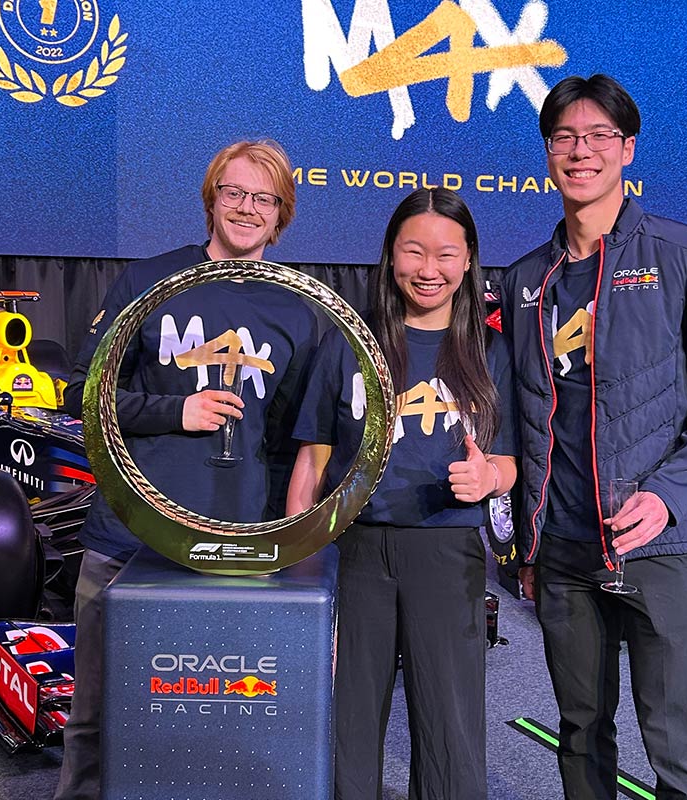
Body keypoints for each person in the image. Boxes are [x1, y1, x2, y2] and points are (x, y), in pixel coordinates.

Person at [500, 74, 687, 800]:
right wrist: (528, 541)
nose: (580, 151)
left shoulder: (685, 253)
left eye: (598, 137)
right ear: (548, 153)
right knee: (580, 731)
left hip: (659, 545)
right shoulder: (528, 280)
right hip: (564, 551)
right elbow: (524, 418)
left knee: (674, 742)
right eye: (564, 138)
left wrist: (667, 498)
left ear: (628, 150)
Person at [54, 139, 317, 800]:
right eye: (234, 192)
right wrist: (177, 411)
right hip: (127, 541)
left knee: (220, 724)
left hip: (236, 553)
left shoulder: (302, 309)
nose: (247, 208)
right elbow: (81, 393)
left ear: (281, 214)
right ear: (212, 198)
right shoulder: (148, 282)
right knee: (94, 721)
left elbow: (302, 440)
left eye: (264, 198)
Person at [287, 188, 517, 800]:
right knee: (349, 719)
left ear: (468, 261)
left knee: (450, 724)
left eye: (447, 253)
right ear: (391, 256)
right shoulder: (349, 345)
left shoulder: (490, 352)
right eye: (414, 251)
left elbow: (510, 462)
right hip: (355, 551)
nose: (429, 269)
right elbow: (312, 459)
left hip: (448, 555)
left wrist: (488, 478)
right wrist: (298, 566)